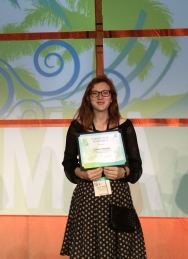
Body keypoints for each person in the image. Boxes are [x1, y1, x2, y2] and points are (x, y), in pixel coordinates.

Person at [60, 74, 147, 259]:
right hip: (87, 198)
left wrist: (123, 171)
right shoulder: (78, 127)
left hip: (118, 197)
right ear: (88, 97)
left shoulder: (125, 126)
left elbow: (136, 166)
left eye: (105, 92)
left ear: (112, 97)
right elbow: (68, 163)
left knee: (121, 251)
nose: (100, 97)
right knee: (86, 251)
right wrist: (81, 174)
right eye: (95, 93)